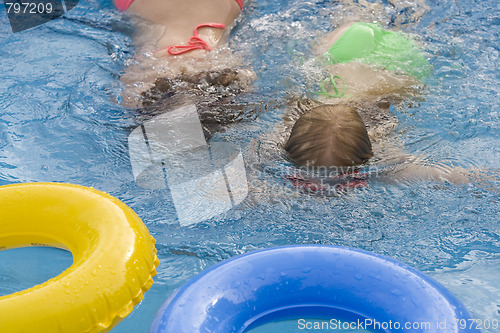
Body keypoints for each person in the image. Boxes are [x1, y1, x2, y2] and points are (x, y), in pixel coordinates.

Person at [279, 22, 494, 194]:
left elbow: (444, 175)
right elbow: (448, 175)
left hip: (394, 63)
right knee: (388, 22)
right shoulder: (283, 136)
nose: (323, 189)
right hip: (346, 50)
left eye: (345, 182)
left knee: (407, 51)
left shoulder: (386, 157)